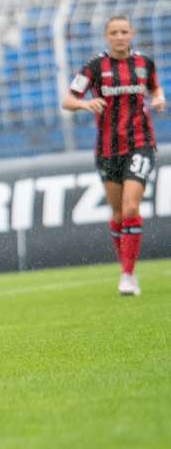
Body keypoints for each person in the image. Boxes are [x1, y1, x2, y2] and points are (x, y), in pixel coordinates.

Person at [62, 15, 164, 296]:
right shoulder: (95, 67)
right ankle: (127, 269)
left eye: (124, 31)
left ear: (132, 34)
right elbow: (68, 100)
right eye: (114, 32)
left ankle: (127, 275)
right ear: (107, 36)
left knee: (131, 208)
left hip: (141, 144)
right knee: (118, 213)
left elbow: (155, 86)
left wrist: (158, 97)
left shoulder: (145, 64)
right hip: (107, 150)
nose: (120, 36)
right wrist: (84, 104)